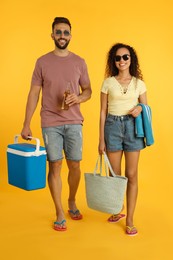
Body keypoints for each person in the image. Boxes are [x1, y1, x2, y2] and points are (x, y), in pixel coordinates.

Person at [21, 17, 92, 231]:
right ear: (52, 35)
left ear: (71, 35)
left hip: (74, 122)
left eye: (66, 32)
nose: (62, 36)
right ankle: (59, 211)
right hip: (50, 120)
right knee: (55, 165)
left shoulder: (79, 61)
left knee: (75, 164)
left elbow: (88, 90)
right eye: (58, 32)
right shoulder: (42, 62)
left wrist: (78, 98)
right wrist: (26, 123)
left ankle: (71, 200)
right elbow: (34, 93)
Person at [98, 43, 148, 236]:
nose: (121, 61)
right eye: (118, 58)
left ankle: (130, 219)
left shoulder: (139, 83)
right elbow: (102, 111)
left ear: (131, 59)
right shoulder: (108, 82)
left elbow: (146, 107)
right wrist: (101, 139)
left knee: (132, 174)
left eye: (125, 57)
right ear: (114, 61)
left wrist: (140, 108)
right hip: (112, 127)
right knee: (115, 176)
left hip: (133, 128)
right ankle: (117, 209)